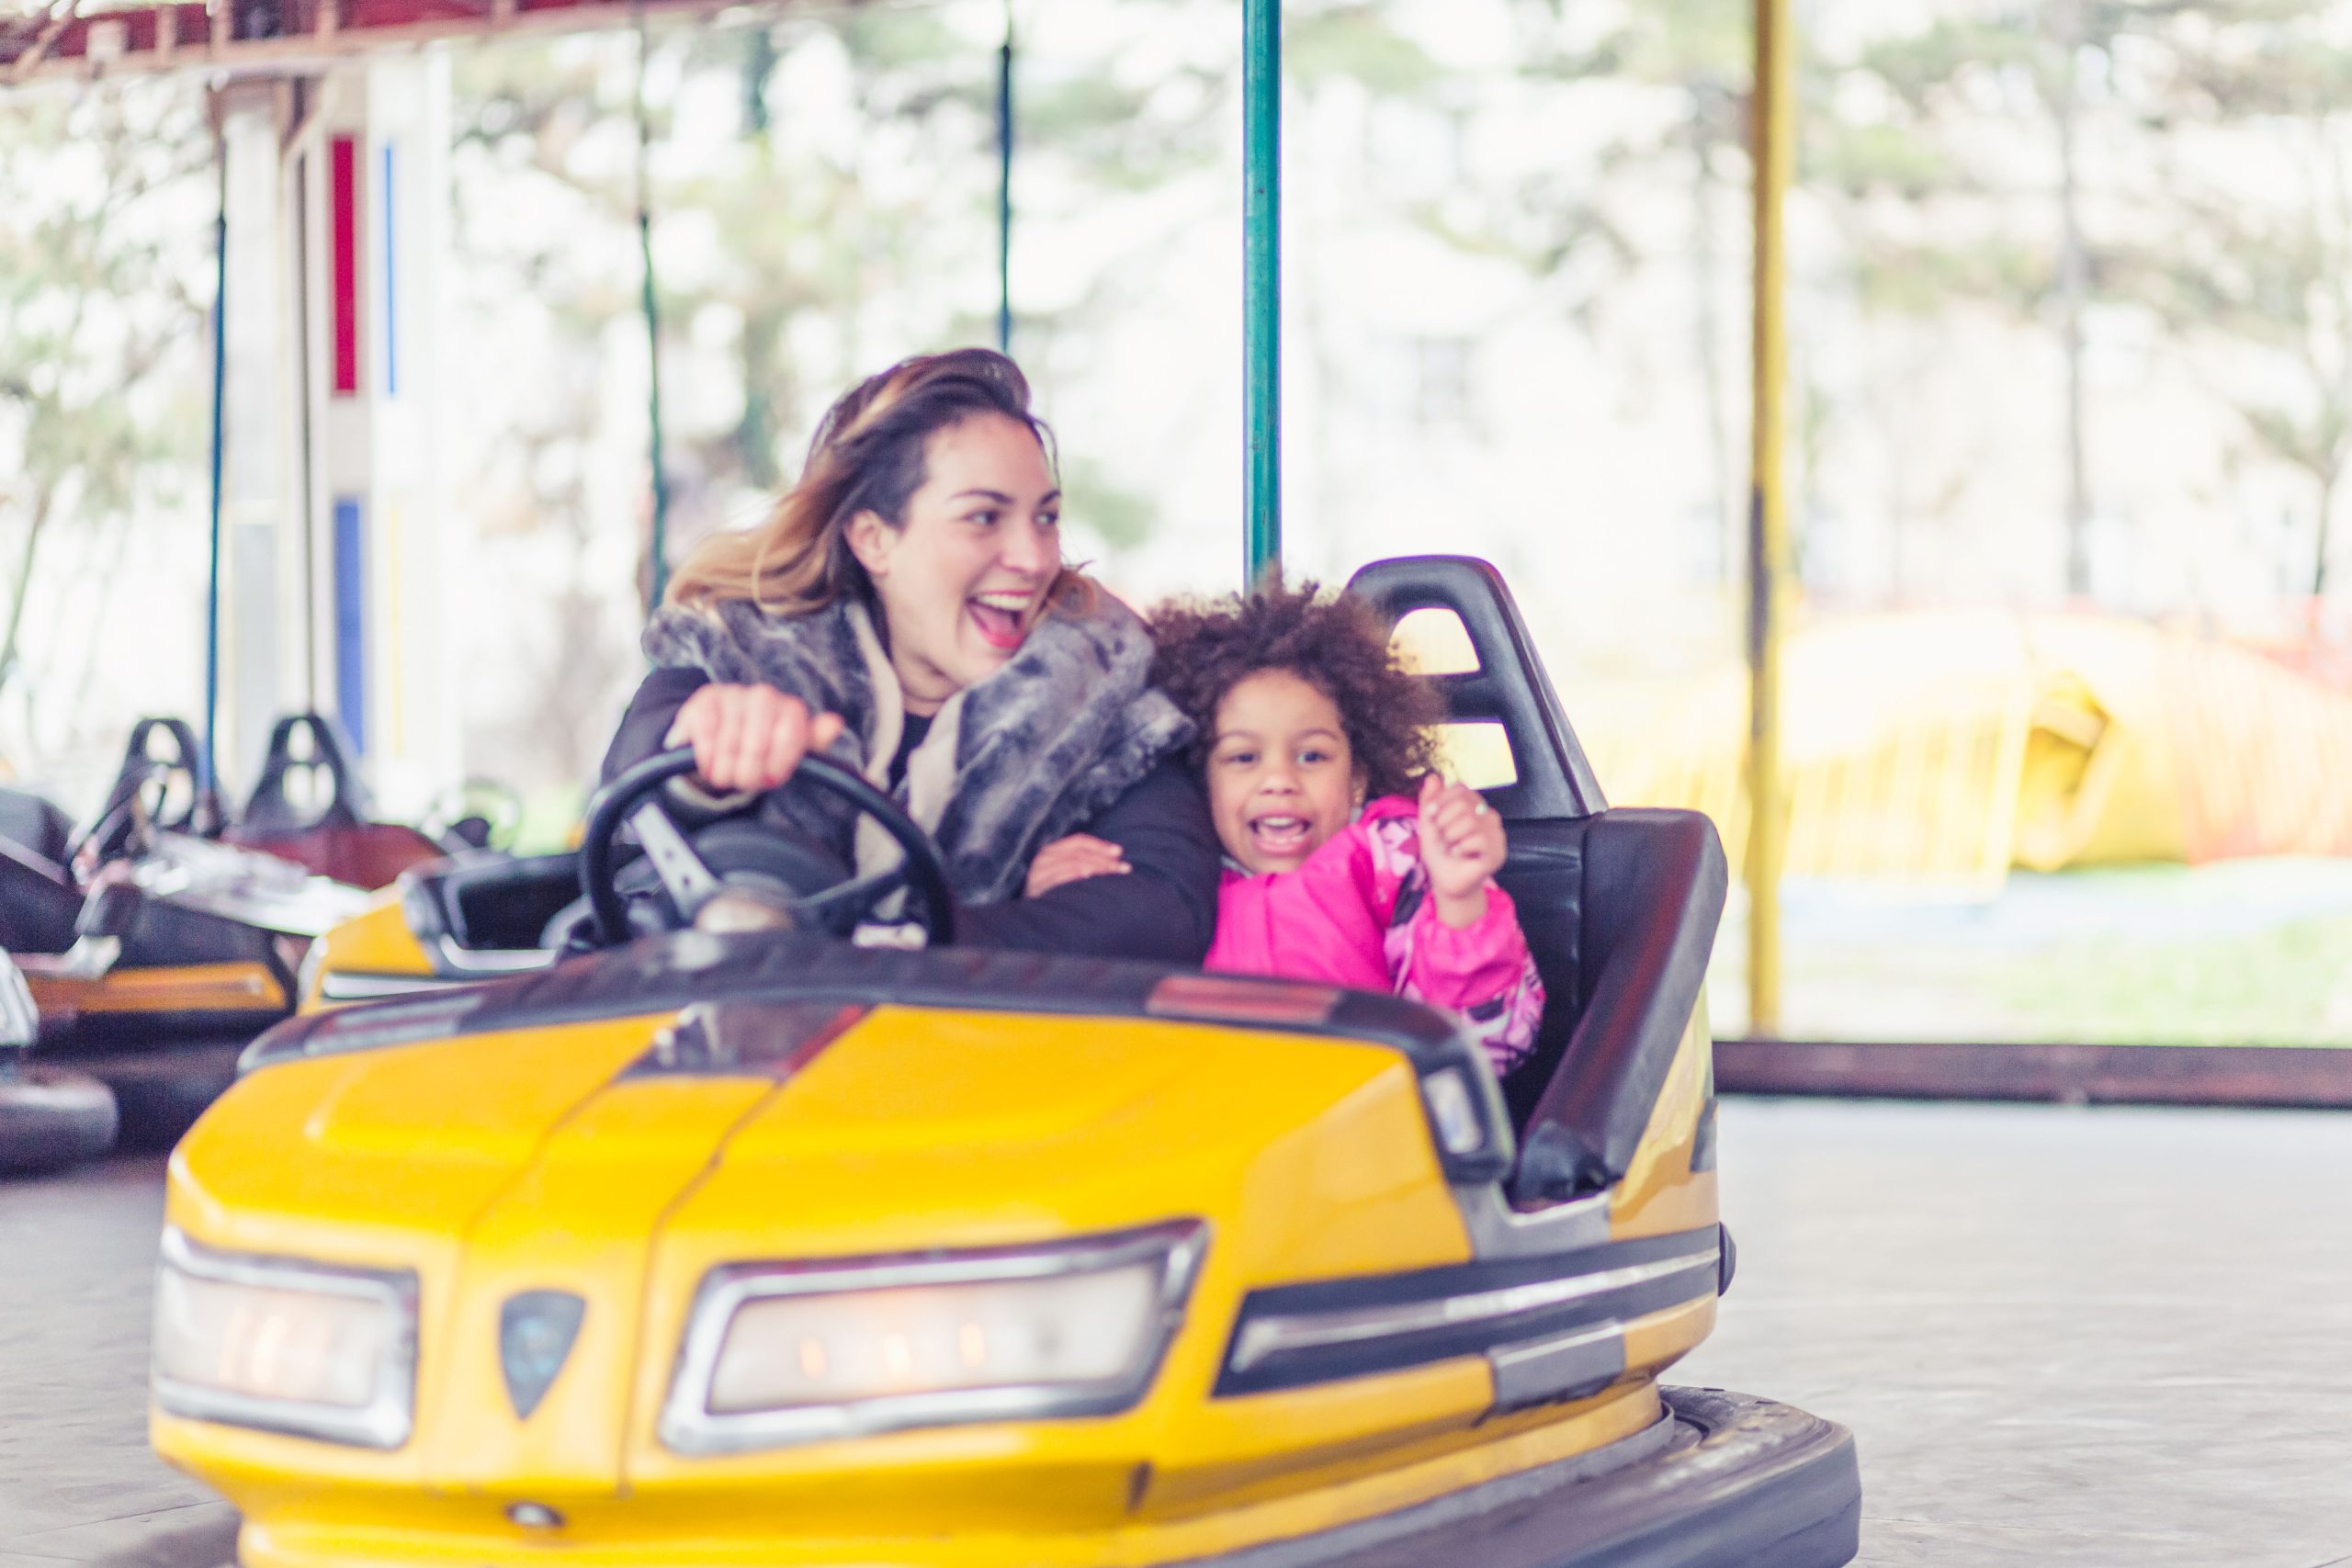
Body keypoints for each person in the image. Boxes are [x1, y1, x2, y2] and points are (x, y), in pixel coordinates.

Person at [600, 348, 1218, 963]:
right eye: (983, 517)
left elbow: (1163, 906)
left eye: (1046, 518)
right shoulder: (740, 652)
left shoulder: (1103, 693)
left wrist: (900, 944)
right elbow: (640, 761)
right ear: (874, 539)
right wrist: (705, 755)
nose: (1033, 558)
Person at [1029, 583, 1544, 1077]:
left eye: (1311, 756)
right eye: (1243, 757)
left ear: (1357, 775)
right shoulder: (1170, 877)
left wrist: (1459, 902)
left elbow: (1482, 1051)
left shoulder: (1397, 860)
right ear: (1201, 778)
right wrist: (1053, 904)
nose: (1278, 780)